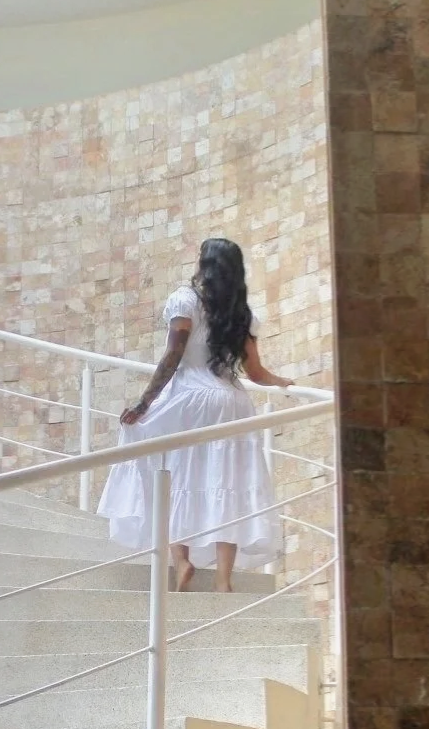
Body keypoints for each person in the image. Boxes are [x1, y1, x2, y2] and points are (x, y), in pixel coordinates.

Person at [98, 238, 293, 593]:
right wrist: (284, 382)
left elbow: (174, 355)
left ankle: (182, 561)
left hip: (190, 397)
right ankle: (223, 580)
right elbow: (256, 373)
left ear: (204, 264)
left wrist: (144, 403)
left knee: (166, 471)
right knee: (227, 486)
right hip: (233, 402)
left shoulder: (185, 301)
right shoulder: (242, 314)